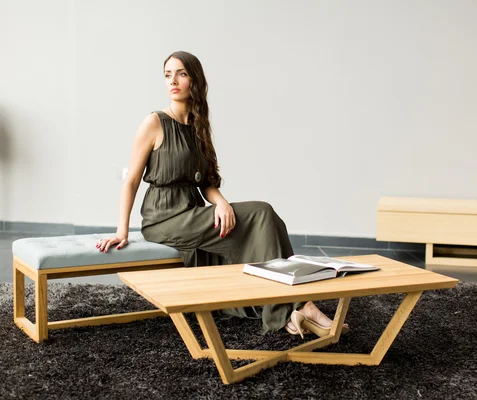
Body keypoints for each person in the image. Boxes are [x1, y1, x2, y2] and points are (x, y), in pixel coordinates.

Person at [95, 51, 345, 337]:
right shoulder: (154, 122)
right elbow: (131, 181)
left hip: (193, 210)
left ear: (195, 80)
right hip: (163, 217)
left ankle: (294, 309)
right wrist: (121, 232)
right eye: (167, 75)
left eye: (181, 74)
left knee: (268, 219)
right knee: (260, 212)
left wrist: (222, 202)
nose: (173, 81)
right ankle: (296, 308)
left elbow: (207, 181)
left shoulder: (199, 126)